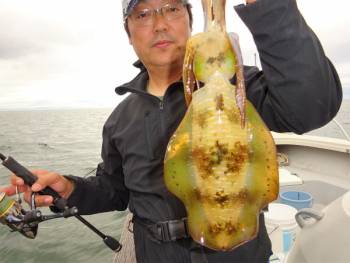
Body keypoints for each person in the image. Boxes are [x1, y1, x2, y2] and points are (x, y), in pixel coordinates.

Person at [1, 0, 342, 262]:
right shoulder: (121, 118)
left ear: (189, 21)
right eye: (144, 14)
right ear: (129, 33)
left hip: (238, 253)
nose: (160, 24)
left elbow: (311, 105)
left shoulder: (239, 86)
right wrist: (71, 189)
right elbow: (115, 191)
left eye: (172, 9)